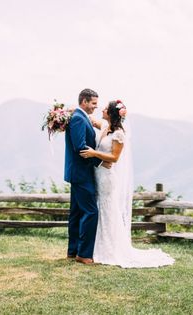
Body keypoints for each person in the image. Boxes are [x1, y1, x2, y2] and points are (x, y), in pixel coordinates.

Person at [80, 100, 174, 268]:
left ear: (110, 113)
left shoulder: (118, 134)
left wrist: (94, 153)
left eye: (105, 108)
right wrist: (66, 113)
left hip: (107, 177)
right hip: (99, 173)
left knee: (107, 210)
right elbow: (89, 118)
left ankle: (109, 250)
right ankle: (97, 247)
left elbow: (115, 158)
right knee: (100, 209)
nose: (101, 109)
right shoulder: (105, 127)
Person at [64, 88, 111, 265]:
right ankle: (83, 254)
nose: (95, 107)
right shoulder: (77, 118)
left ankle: (73, 250)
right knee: (91, 211)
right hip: (81, 173)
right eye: (93, 104)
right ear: (84, 101)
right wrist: (100, 162)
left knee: (76, 212)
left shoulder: (80, 116)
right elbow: (81, 148)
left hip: (78, 172)